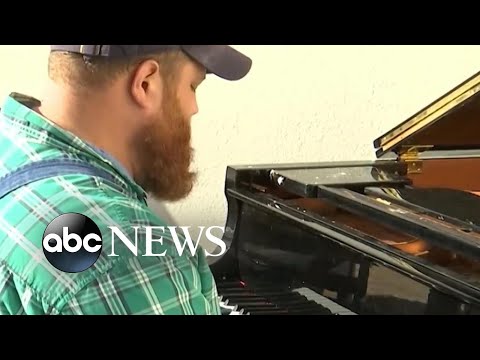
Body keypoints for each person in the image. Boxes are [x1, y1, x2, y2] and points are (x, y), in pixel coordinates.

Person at [0, 45, 252, 315]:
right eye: (193, 86)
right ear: (145, 84)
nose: (194, 108)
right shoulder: (123, 253)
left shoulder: (11, 141)